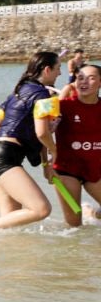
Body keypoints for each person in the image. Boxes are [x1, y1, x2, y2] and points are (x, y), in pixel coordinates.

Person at [0, 51, 62, 230]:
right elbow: (42, 133)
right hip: (5, 160)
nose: (60, 74)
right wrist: (54, 153)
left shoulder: (17, 92)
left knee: (10, 224)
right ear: (47, 70)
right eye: (58, 69)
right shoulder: (44, 96)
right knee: (41, 209)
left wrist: (45, 164)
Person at [50, 62, 101, 226]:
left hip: (96, 169)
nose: (84, 82)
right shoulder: (62, 106)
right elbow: (39, 133)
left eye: (91, 78)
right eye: (80, 78)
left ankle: (92, 212)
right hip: (67, 170)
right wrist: (46, 163)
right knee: (74, 227)